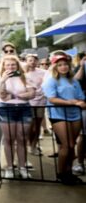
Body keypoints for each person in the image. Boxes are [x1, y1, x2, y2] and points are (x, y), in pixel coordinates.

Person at [43, 53, 86, 184]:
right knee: (65, 146)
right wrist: (72, 102)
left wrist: (79, 102)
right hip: (58, 115)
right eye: (60, 65)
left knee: (72, 145)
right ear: (55, 66)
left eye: (65, 64)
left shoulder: (73, 81)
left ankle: (69, 172)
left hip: (75, 115)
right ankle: (61, 173)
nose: (63, 67)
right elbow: (52, 99)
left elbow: (81, 97)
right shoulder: (51, 80)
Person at [0, 55, 35, 179]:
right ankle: (10, 167)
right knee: (9, 139)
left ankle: (22, 167)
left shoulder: (25, 77)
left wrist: (14, 96)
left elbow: (32, 94)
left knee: (22, 139)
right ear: (3, 66)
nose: (10, 67)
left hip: (24, 109)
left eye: (13, 65)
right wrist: (3, 81)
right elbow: (1, 94)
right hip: (6, 109)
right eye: (8, 65)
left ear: (17, 66)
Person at [25, 53, 47, 156]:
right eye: (30, 60)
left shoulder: (43, 72)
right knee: (30, 125)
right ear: (26, 61)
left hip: (40, 101)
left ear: (37, 61)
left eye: (34, 60)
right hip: (28, 102)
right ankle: (30, 143)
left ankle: (34, 145)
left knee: (38, 125)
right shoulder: (23, 73)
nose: (32, 62)